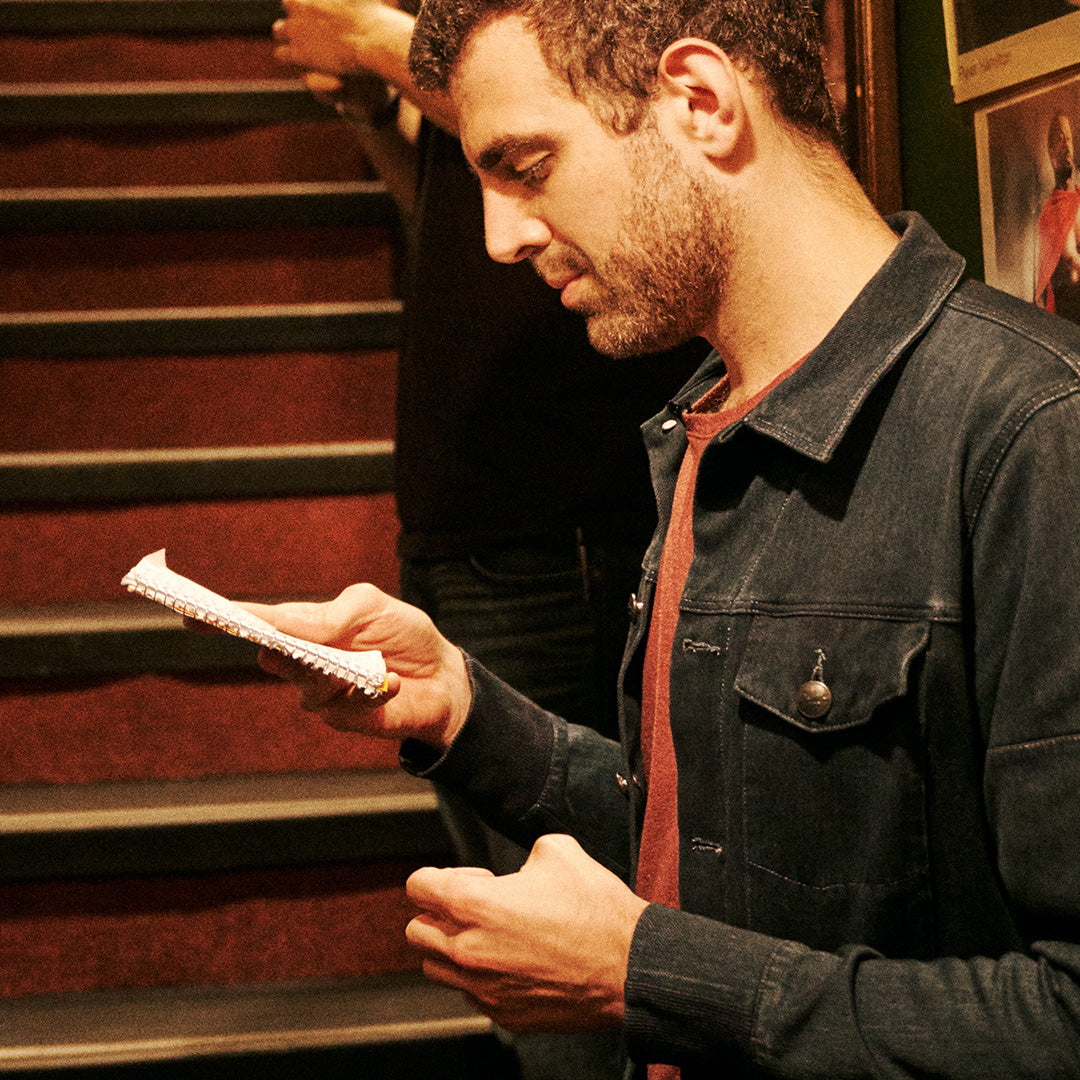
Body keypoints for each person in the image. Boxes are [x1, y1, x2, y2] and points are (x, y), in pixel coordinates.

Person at [241, 0, 1080, 1074]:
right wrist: (463, 709)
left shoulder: (1031, 437)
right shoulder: (706, 425)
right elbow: (713, 845)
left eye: (526, 167)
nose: (499, 239)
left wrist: (645, 977)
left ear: (699, 102)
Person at [271, 3, 708, 1077]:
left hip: (566, 507)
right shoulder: (490, 179)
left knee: (578, 946)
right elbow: (454, 216)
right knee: (523, 954)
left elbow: (597, 101)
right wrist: (383, 106)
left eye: (522, 169)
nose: (505, 227)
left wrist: (383, 41)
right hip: (463, 501)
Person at [1037, 112, 1080, 321]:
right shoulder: (1053, 210)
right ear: (1051, 152)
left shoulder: (1078, 196)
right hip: (1070, 312)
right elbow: (1071, 258)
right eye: (1059, 139)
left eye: (1068, 138)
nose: (1066, 146)